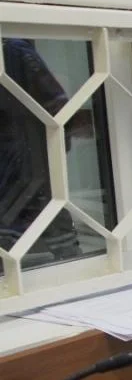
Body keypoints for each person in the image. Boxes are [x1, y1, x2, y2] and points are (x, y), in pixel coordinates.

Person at [0, 38, 82, 263]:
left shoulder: (13, 52)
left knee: (69, 259)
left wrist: (46, 159)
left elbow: (58, 113)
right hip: (22, 175)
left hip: (25, 176)